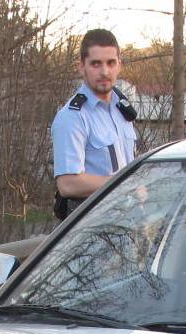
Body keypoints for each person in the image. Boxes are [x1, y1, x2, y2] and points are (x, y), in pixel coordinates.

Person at [51, 29, 138, 220]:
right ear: (81, 67)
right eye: (96, 64)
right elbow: (67, 184)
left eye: (110, 63)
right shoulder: (72, 117)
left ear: (119, 65)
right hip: (91, 228)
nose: (105, 71)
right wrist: (124, 183)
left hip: (128, 219)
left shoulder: (122, 110)